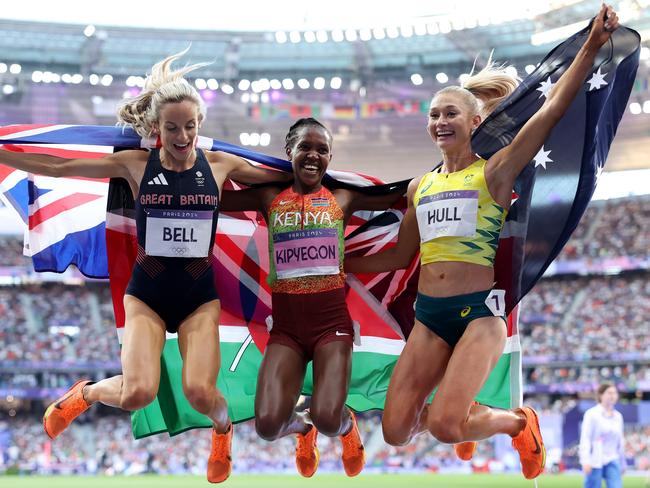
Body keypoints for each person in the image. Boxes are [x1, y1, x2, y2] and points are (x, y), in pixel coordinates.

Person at [344, 5, 619, 480]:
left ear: (474, 122)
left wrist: (592, 45)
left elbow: (551, 111)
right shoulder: (420, 187)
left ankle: (516, 422)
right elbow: (399, 255)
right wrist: (339, 263)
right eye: (433, 115)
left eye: (450, 113)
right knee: (393, 430)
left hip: (478, 317)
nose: (440, 121)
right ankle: (467, 416)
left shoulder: (494, 171)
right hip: (429, 320)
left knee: (448, 426)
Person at [0, 50, 291, 483]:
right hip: (147, 296)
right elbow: (60, 165)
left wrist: (332, 182)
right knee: (138, 392)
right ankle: (87, 393)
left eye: (190, 126)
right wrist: (5, 154)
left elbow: (281, 180)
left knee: (200, 392)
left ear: (200, 125)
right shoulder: (135, 165)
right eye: (173, 127)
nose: (182, 135)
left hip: (198, 298)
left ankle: (222, 430)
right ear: (157, 128)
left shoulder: (220, 165)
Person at [220, 117, 403, 477]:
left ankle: (346, 429)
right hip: (286, 329)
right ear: (289, 151)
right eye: (306, 147)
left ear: (330, 157)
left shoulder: (343, 197)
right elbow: (209, 199)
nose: (313, 156)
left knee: (329, 417)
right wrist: (217, 164)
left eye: (322, 150)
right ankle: (303, 430)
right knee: (268, 426)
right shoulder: (269, 197)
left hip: (331, 327)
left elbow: (404, 194)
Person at [580, 383, 626, 488]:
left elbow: (620, 441)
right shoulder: (591, 414)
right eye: (609, 393)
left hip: (612, 458)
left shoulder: (618, 417)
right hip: (594, 459)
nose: (612, 396)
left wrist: (623, 462)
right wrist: (585, 461)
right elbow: (585, 438)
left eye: (614, 393)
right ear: (601, 395)